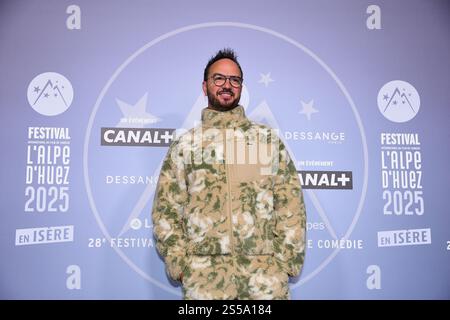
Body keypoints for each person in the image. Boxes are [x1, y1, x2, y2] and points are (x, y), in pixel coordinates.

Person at [152, 48, 306, 300]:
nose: (227, 85)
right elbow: (166, 209)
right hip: (204, 283)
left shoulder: (267, 141)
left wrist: (285, 262)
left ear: (241, 87)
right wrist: (179, 263)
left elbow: (291, 206)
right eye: (219, 78)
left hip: (264, 282)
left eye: (234, 80)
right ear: (205, 86)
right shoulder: (185, 145)